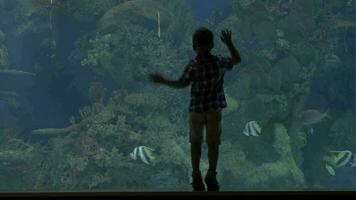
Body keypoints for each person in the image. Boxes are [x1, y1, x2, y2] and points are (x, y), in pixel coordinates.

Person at [149, 27, 241, 191]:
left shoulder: (193, 66)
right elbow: (236, 59)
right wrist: (229, 43)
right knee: (213, 143)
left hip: (196, 111)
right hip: (214, 109)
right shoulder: (219, 61)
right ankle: (211, 174)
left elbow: (181, 84)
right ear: (212, 45)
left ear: (193, 46)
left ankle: (196, 175)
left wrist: (163, 81)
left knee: (195, 143)